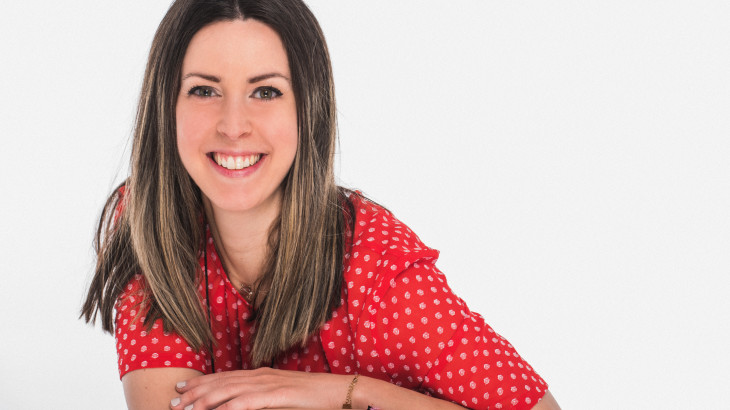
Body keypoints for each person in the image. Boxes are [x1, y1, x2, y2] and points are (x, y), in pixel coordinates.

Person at [81, 1, 560, 409]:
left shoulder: (377, 267)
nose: (233, 124)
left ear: (308, 109)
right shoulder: (148, 222)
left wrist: (345, 392)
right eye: (204, 90)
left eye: (266, 91)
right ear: (165, 106)